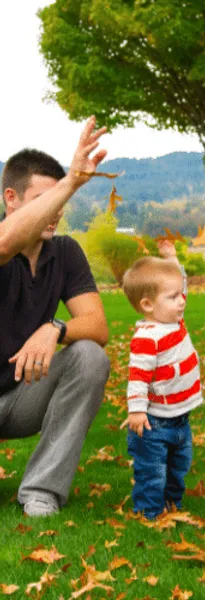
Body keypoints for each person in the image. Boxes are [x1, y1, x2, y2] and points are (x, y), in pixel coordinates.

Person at [0, 116, 111, 517]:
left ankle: (41, 490)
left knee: (89, 356)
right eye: (43, 202)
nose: (55, 212)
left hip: (20, 395)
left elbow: (97, 327)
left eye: (60, 203)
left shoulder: (64, 252)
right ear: (10, 198)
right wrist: (71, 181)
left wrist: (55, 328)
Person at [122, 241, 203, 520]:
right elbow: (138, 377)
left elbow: (180, 288)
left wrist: (173, 260)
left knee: (179, 466)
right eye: (173, 297)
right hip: (154, 423)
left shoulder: (174, 321)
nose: (182, 301)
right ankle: (149, 513)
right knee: (153, 470)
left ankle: (172, 504)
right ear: (147, 304)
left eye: (181, 295)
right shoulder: (148, 337)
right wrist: (136, 410)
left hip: (180, 418)